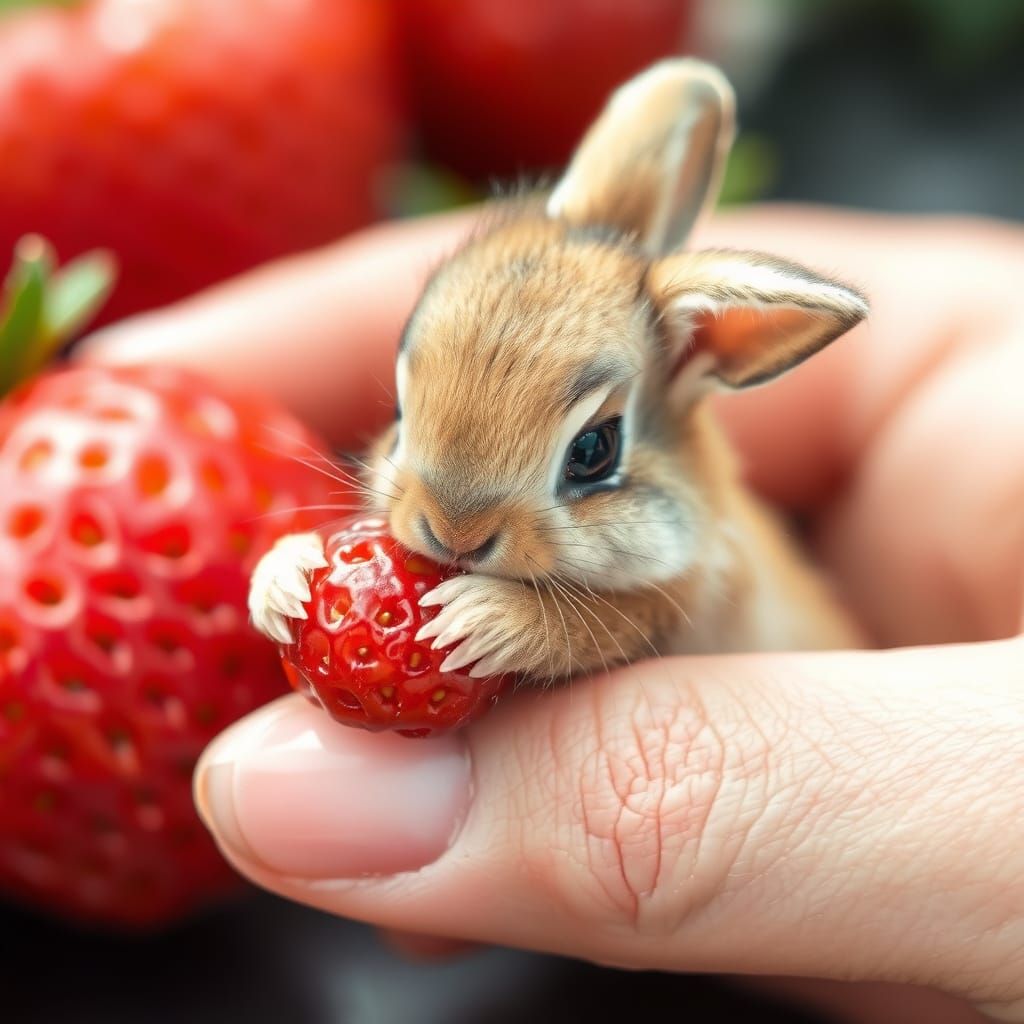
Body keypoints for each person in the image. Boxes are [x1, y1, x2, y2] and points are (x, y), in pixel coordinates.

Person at [82, 205, 1024, 1024]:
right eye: (412, 423)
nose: (447, 530)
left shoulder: (686, 530)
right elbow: (368, 565)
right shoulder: (433, 506)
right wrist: (288, 576)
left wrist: (542, 628)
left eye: (585, 455)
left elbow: (655, 605)